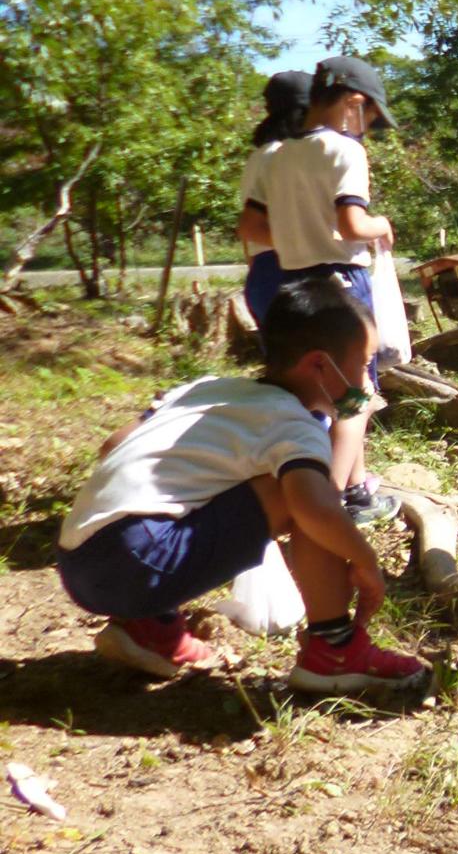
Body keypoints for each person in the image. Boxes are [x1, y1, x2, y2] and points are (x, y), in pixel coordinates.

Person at [56, 276, 432, 696]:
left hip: (76, 561)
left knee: (210, 489)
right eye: (362, 365)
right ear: (320, 365)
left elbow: (113, 446)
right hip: (139, 562)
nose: (367, 382)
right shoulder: (294, 424)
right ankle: (335, 648)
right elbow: (314, 506)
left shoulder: (205, 389)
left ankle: (149, 625)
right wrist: (365, 561)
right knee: (306, 491)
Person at [245, 54, 400, 526]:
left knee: (311, 392)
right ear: (353, 103)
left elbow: (254, 225)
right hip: (340, 283)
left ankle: (342, 490)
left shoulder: (278, 154)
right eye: (369, 117)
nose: (366, 129)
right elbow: (351, 224)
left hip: (294, 285)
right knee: (355, 396)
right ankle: (326, 503)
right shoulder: (345, 150)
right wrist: (381, 225)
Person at [237, 70, 312, 329]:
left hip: (264, 271)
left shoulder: (259, 156)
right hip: (287, 269)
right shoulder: (281, 156)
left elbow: (249, 230)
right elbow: (253, 228)